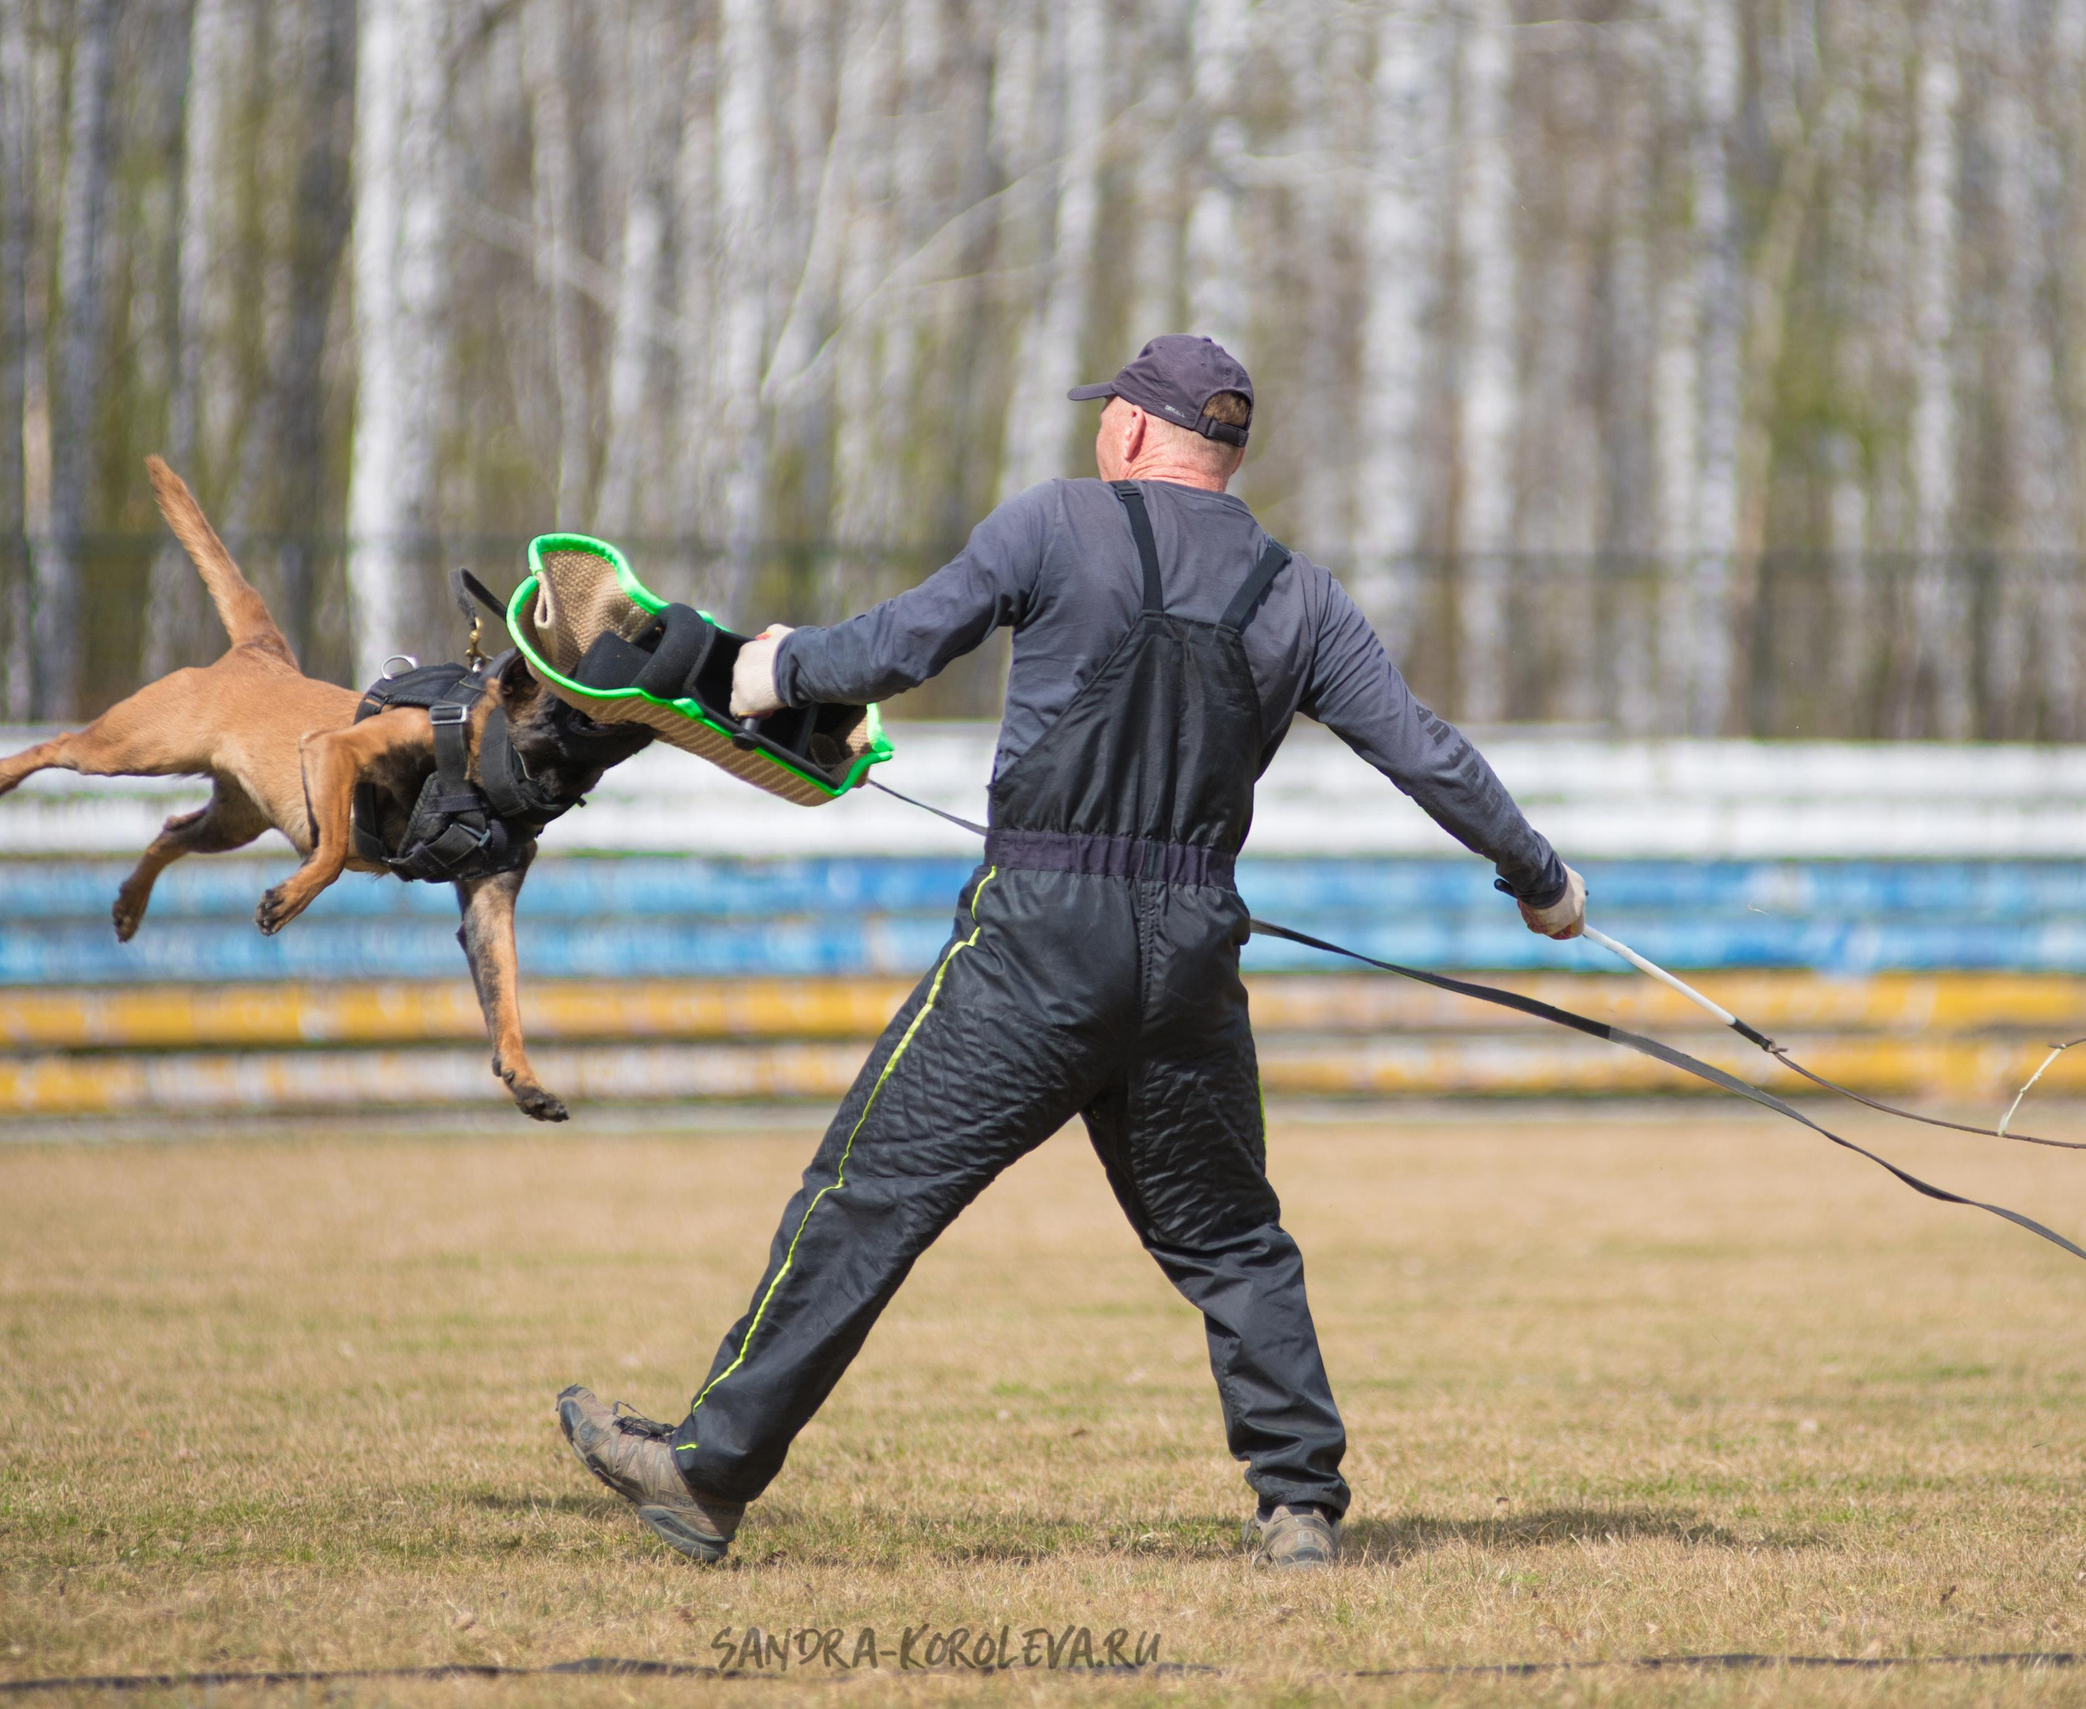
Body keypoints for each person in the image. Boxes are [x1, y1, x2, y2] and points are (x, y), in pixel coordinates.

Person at [555, 334, 1587, 1568]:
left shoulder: (1055, 523)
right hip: (1190, 949)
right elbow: (1425, 750)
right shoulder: (1299, 593)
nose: (1099, 430)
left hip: (1037, 941)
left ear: (1138, 433)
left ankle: (708, 1472)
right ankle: (1298, 1504)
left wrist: (764, 667)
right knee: (1230, 1237)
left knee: (867, 1196)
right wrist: (1543, 880)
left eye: (1109, 414)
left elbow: (892, 648)